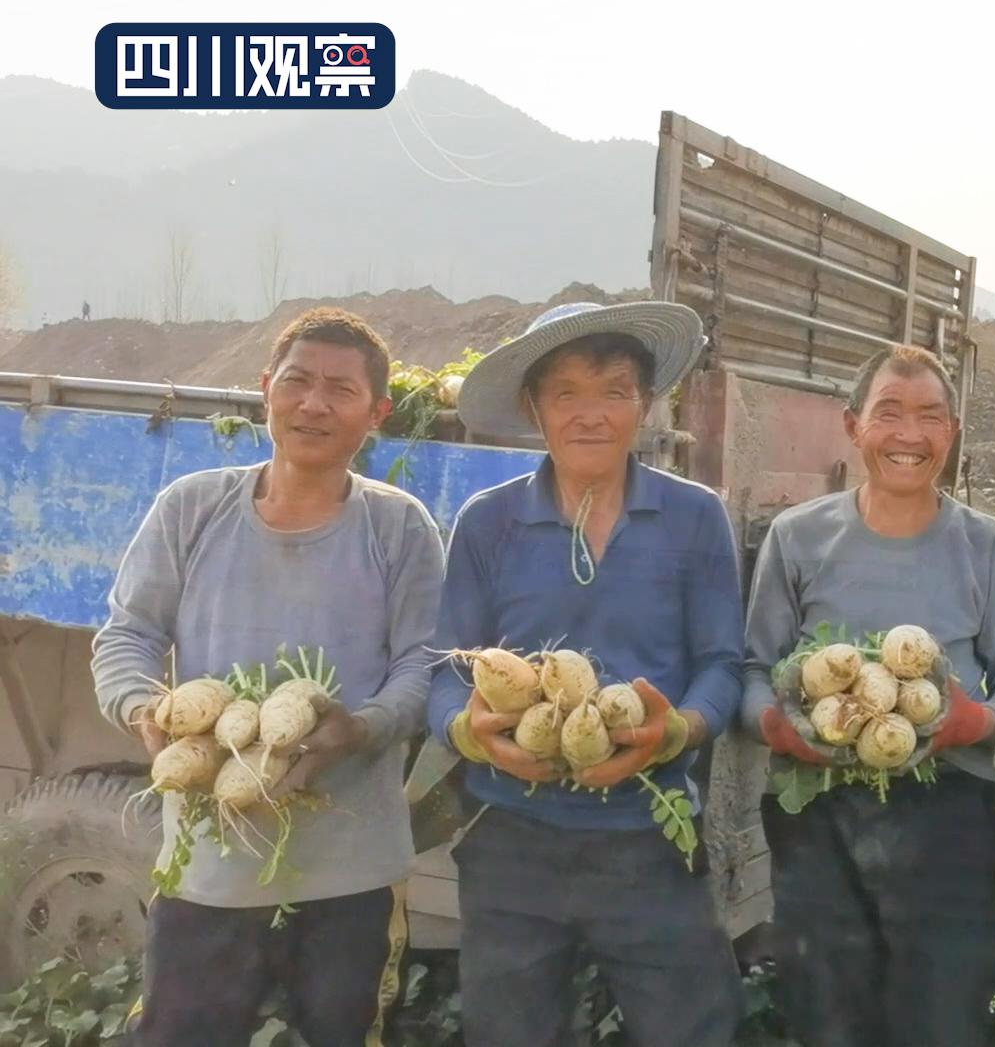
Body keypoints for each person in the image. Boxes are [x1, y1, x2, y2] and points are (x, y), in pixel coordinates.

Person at [91, 307, 446, 1047]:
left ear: (376, 412)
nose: (314, 404)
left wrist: (362, 727)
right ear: (264, 389)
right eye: (298, 381)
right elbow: (127, 636)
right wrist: (143, 713)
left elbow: (424, 665)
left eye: (340, 391)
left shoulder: (399, 527)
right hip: (208, 869)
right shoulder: (191, 507)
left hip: (351, 877)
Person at [427, 300, 746, 1047]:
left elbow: (722, 667)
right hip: (510, 838)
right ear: (535, 408)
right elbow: (443, 672)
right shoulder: (487, 521)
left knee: (692, 1031)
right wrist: (472, 735)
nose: (590, 414)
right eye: (565, 393)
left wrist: (677, 731)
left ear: (644, 403)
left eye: (612, 390)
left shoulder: (696, 518)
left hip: (650, 837)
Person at [740, 344, 995, 1047]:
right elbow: (754, 670)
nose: (910, 436)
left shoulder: (986, 546)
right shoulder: (798, 537)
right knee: (827, 1019)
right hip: (818, 815)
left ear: (953, 430)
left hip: (948, 819)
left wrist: (973, 723)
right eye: (890, 414)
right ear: (853, 426)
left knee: (942, 1023)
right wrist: (776, 727)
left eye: (930, 417)